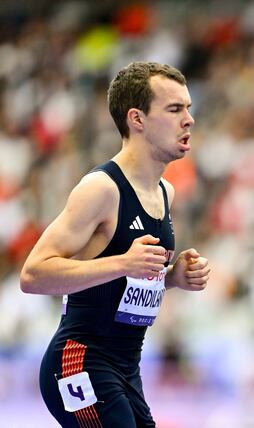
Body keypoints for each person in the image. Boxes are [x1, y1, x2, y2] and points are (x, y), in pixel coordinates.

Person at [20, 61, 210, 427]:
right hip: (80, 361)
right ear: (137, 119)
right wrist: (124, 262)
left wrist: (171, 278)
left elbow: (127, 281)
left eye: (188, 108)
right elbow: (33, 275)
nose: (189, 119)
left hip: (126, 369)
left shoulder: (164, 192)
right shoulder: (102, 189)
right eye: (174, 109)